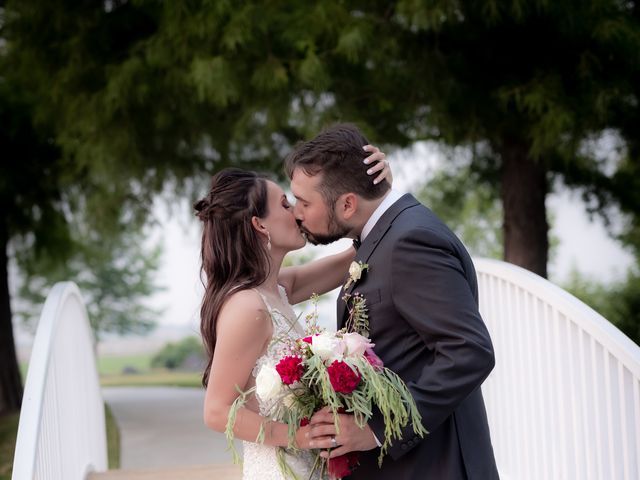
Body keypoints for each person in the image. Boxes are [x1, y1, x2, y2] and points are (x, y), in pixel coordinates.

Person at [285, 123, 499, 480]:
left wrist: (376, 430)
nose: (296, 212)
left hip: (434, 466)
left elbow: (469, 350)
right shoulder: (384, 235)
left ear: (348, 203)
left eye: (305, 202)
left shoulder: (410, 241)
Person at [196, 150, 391, 480]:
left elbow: (351, 258)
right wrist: (296, 437)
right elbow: (216, 411)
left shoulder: (276, 288)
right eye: (286, 205)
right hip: (280, 470)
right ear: (260, 225)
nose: (298, 213)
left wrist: (378, 194)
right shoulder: (249, 308)